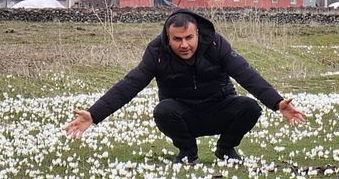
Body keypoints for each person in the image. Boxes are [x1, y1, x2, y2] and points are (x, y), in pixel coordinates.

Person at [65, 9, 306, 164]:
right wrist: (94, 114)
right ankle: (187, 152)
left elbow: (246, 73)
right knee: (163, 111)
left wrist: (277, 102)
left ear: (197, 34)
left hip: (219, 107)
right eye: (177, 39)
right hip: (183, 114)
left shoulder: (216, 45)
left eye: (189, 38)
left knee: (250, 107)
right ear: (167, 38)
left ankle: (226, 149)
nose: (184, 45)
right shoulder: (156, 52)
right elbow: (130, 84)